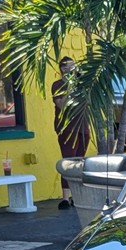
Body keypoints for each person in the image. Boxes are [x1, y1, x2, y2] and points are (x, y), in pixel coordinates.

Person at [52, 57, 91, 209]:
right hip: (67, 128)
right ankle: (65, 197)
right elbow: (61, 104)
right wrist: (69, 86)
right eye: (69, 67)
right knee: (68, 161)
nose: (73, 69)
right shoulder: (58, 85)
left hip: (83, 126)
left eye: (74, 66)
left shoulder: (81, 85)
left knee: (80, 162)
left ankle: (78, 196)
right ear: (63, 69)